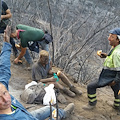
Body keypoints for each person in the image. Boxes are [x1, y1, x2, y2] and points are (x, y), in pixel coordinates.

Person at [0, 25, 74, 120]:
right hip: (37, 90)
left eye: (5, 93)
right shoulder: (36, 66)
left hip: (26, 114)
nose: (6, 99)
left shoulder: (2, 87)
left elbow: (3, 70)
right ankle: (64, 94)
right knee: (53, 85)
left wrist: (6, 44)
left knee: (49, 109)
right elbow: (39, 79)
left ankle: (69, 96)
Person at [82, 28, 120, 111]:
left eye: (112, 37)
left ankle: (92, 104)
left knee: (91, 86)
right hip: (114, 75)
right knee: (117, 91)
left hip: (110, 76)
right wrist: (106, 56)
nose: (109, 38)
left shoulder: (117, 53)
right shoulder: (116, 47)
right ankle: (117, 106)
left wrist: (115, 80)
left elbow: (119, 69)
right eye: (109, 36)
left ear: (118, 39)